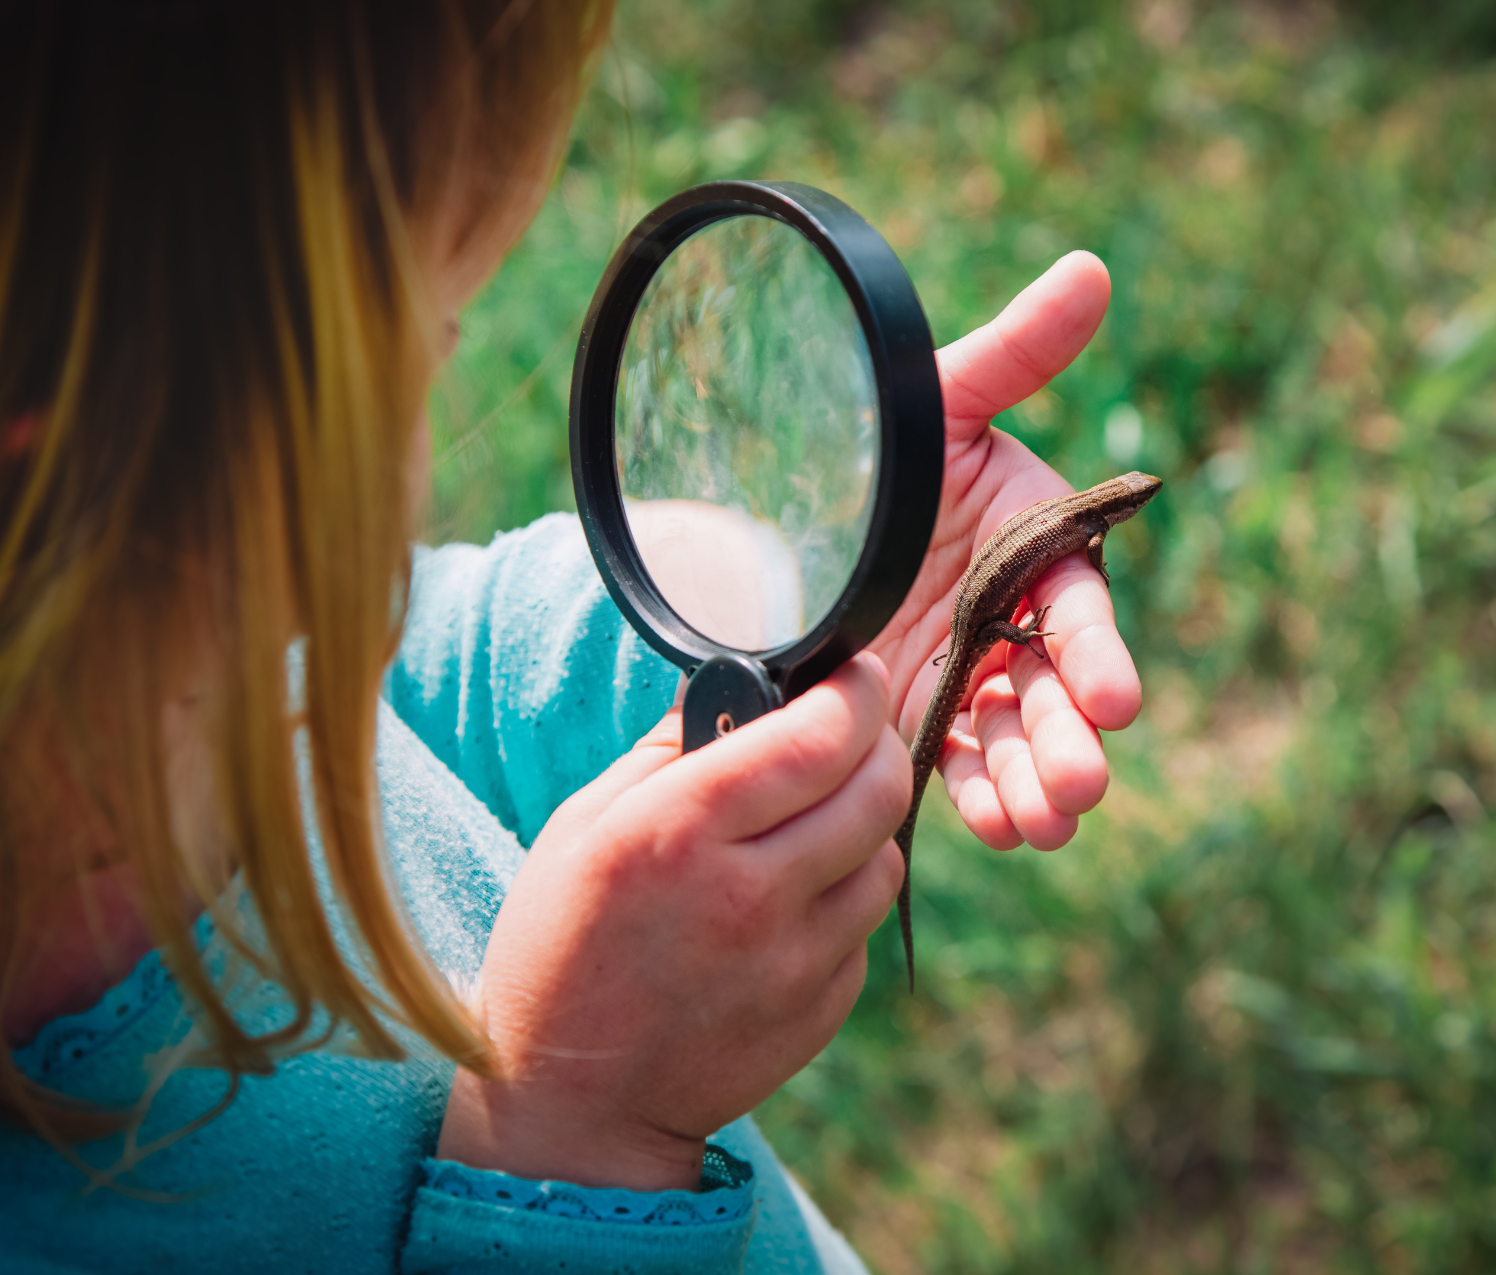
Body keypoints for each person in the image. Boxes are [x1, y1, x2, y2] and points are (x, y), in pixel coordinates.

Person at [0, 2, 1145, 1271]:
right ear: (121, 483)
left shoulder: (191, 649)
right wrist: (580, 1135)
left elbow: (409, 672)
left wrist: (813, 579)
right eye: (414, 358)